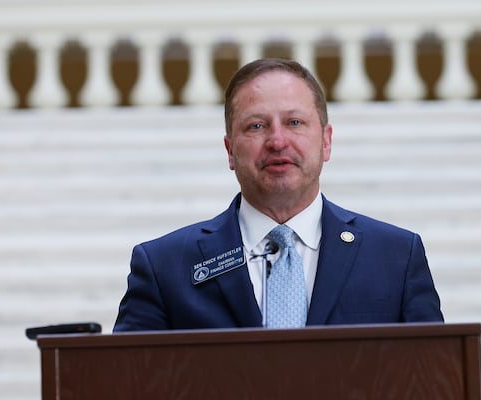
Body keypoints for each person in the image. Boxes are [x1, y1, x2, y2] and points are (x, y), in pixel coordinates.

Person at [113, 58, 443, 332]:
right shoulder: (164, 267)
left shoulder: (397, 258)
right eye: (256, 126)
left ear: (326, 141)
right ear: (230, 150)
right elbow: (125, 382)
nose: (277, 141)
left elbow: (435, 380)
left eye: (295, 122)